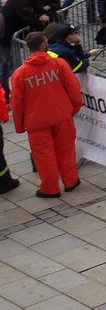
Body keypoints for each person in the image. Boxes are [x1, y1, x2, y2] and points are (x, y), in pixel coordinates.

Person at [10, 30, 81, 198]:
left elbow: (17, 103)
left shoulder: (20, 74)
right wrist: (75, 107)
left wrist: (20, 126)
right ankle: (71, 181)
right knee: (66, 149)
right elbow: (73, 88)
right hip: (61, 115)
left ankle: (50, 188)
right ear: (43, 45)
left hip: (36, 121)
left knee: (44, 156)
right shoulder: (60, 64)